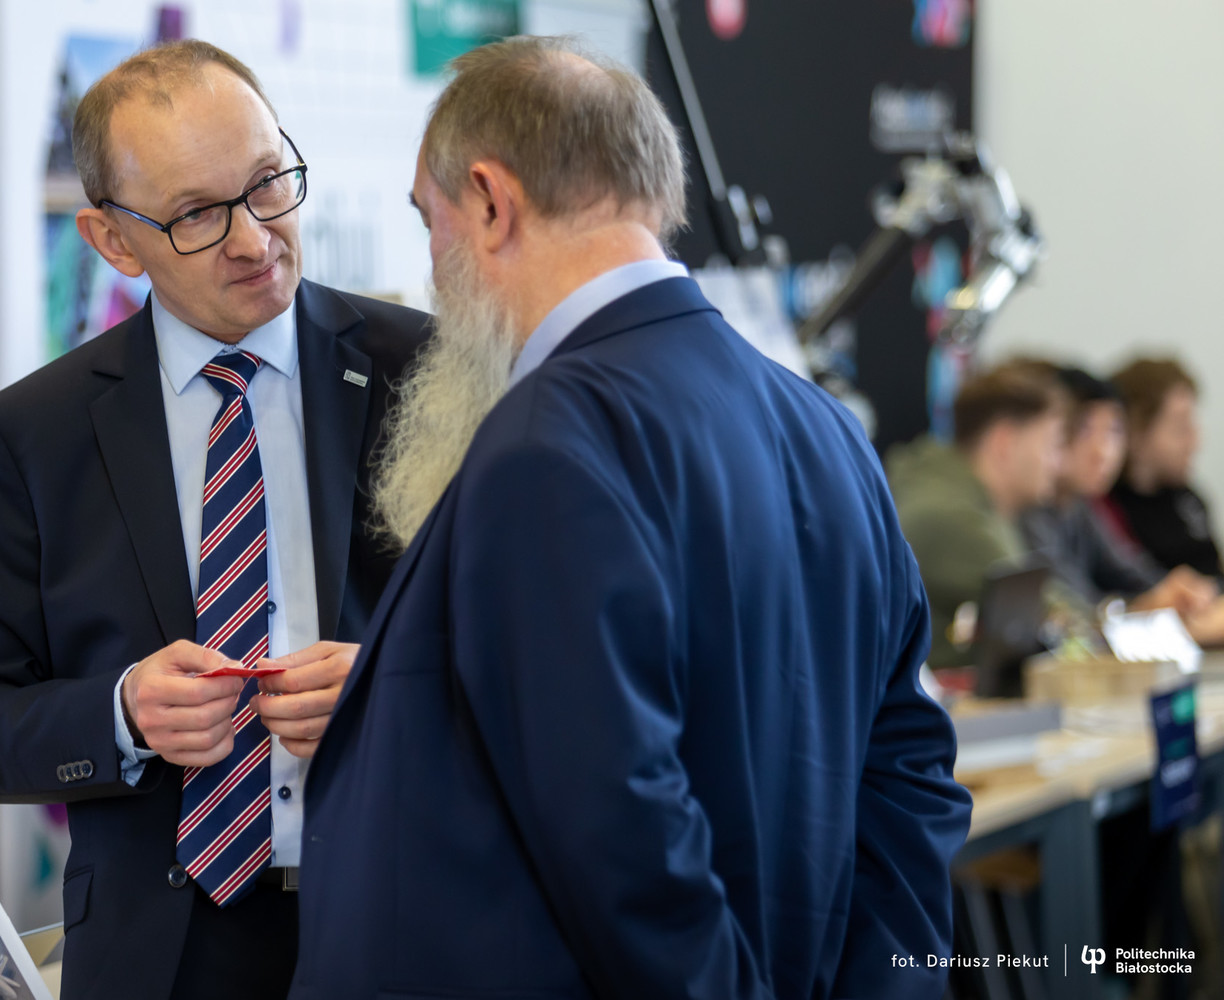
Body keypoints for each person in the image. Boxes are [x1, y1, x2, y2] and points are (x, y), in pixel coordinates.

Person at [290, 37, 970, 1000]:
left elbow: (622, 839)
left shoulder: (545, 444)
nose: (433, 268)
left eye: (428, 220)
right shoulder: (824, 426)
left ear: (490, 201)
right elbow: (907, 774)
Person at [0, 41, 430, 1000]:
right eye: (199, 214)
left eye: (268, 184)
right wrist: (122, 712)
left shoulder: (425, 372)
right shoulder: (31, 435)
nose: (253, 238)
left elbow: (527, 658)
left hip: (396, 919)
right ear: (112, 242)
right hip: (159, 953)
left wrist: (388, 687)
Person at [887, 363, 1069, 666]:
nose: (1058, 464)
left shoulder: (961, 496)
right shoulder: (952, 516)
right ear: (1004, 442)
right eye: (1051, 445)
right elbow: (1052, 612)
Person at [1020, 366, 1216, 615]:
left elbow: (1131, 572)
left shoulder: (1081, 506)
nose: (1102, 452)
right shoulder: (1029, 512)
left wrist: (1177, 591)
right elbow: (1071, 608)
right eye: (1085, 430)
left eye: (1113, 431)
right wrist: (1145, 605)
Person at [1101, 358, 1222, 581]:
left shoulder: (1188, 497)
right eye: (1179, 428)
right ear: (1135, 433)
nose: (1194, 442)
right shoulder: (1105, 512)